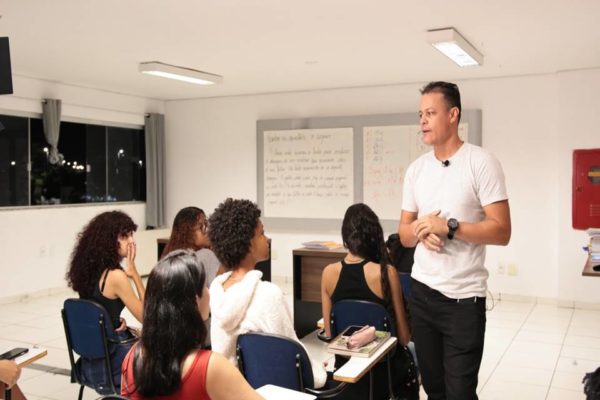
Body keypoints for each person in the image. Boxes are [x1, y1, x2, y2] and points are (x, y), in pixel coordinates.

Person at [398, 81, 511, 400]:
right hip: (422, 294)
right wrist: (421, 230)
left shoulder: (481, 162)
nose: (422, 120)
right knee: (432, 388)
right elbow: (404, 234)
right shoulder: (416, 170)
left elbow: (501, 231)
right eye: (420, 114)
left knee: (459, 391)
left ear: (453, 115)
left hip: (463, 301)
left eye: (431, 113)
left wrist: (448, 226)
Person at [208, 198, 327, 388]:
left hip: (234, 390)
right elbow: (292, 353)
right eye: (262, 234)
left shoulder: (217, 291)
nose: (267, 239)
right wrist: (318, 370)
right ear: (248, 244)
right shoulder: (269, 295)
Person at [121, 249, 263, 400]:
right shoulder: (211, 367)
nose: (208, 290)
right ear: (195, 301)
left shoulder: (132, 358)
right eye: (204, 286)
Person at [321, 203, 418, 400]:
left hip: (346, 375)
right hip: (385, 376)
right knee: (415, 351)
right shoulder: (385, 272)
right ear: (374, 235)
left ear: (345, 235)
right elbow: (404, 338)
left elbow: (331, 334)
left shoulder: (328, 273)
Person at [66, 210, 145, 392]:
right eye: (125, 236)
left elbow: (95, 311)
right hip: (114, 362)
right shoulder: (116, 276)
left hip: (90, 359)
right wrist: (135, 275)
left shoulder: (86, 271)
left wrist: (112, 322)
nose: (132, 241)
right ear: (109, 240)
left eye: (132, 234)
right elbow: (146, 317)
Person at [161, 206, 220, 287]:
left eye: (206, 224)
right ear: (187, 232)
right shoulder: (205, 255)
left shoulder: (170, 256)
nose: (206, 230)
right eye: (201, 227)